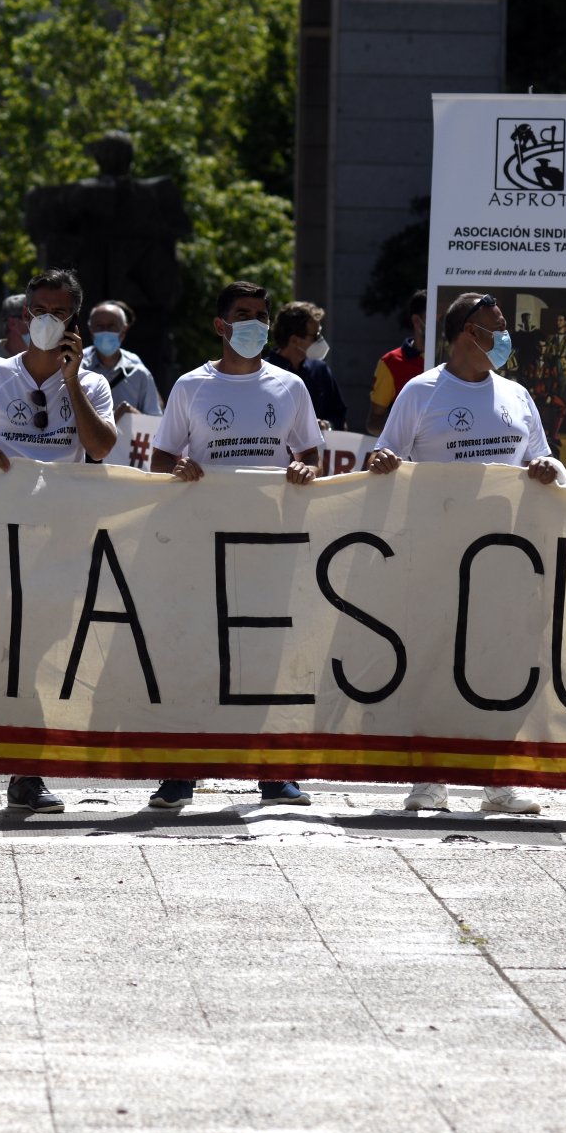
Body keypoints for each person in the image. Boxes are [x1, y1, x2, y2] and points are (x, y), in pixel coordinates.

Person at [370, 290, 566, 817]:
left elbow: (544, 460)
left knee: (500, 666)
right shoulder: (421, 392)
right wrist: (384, 461)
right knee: (435, 661)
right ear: (467, 335)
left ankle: (497, 780)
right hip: (437, 554)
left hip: (506, 558)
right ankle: (430, 782)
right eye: (495, 326)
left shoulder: (516, 395)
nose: (506, 336)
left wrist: (551, 470)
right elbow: (382, 457)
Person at [0, 269, 117, 816]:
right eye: (38, 311)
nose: (45, 321)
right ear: (22, 317)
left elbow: (100, 449)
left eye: (58, 313)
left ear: (73, 323)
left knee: (31, 658)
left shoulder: (96, 385)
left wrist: (74, 380)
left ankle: (27, 773)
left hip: (56, 543)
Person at [142, 281, 324, 812]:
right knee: (197, 652)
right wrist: (179, 469)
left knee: (265, 655)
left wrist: (301, 468)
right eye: (244, 315)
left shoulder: (290, 387)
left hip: (268, 542)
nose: (256, 325)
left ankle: (273, 771)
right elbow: (160, 461)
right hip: (201, 545)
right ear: (221, 326)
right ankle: (181, 770)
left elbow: (311, 454)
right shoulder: (191, 387)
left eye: (262, 316)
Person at [267, 301, 348, 427]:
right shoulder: (264, 372)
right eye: (314, 336)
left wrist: (326, 425)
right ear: (294, 340)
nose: (320, 341)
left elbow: (339, 417)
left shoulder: (320, 370)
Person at [81, 299, 162, 417]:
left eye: (111, 326)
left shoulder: (138, 371)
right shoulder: (76, 367)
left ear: (124, 330)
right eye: (99, 326)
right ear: (90, 329)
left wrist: (134, 416)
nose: (105, 331)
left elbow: (154, 420)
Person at [368, 290, 431, 430]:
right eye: (435, 318)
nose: (441, 325)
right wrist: (405, 436)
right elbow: (374, 421)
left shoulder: (456, 359)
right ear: (417, 321)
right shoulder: (391, 363)